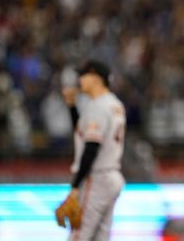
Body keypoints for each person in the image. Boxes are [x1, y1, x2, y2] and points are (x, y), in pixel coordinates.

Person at [57, 59, 126, 240]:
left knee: (79, 236)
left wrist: (75, 186)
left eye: (83, 75)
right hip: (112, 177)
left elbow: (91, 148)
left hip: (96, 178)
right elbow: (83, 134)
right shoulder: (114, 104)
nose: (80, 79)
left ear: (95, 77)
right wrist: (72, 107)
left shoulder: (97, 106)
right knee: (100, 237)